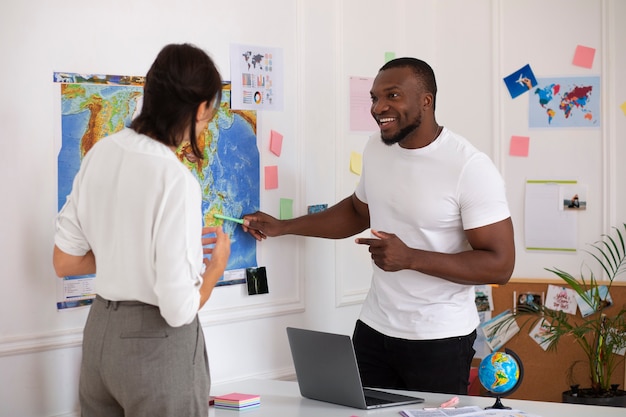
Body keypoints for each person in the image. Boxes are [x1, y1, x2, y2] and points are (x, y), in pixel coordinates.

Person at [242, 57, 515, 395]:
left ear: (426, 101)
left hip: (439, 338)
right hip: (374, 328)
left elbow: (500, 264)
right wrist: (283, 226)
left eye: (393, 96)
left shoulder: (469, 167)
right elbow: (358, 212)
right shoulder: (377, 147)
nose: (378, 107)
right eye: (374, 97)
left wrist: (411, 258)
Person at [53, 43, 231, 416]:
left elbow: (65, 261)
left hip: (100, 337)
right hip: (156, 345)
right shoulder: (175, 179)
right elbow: (179, 310)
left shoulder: (100, 152)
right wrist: (214, 268)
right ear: (201, 108)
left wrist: (133, 252)